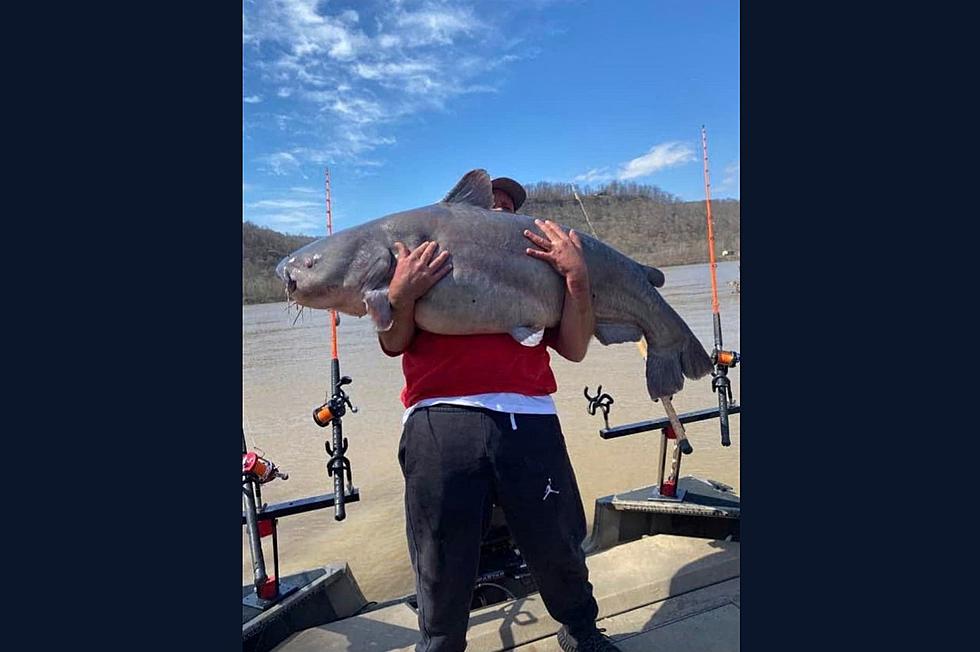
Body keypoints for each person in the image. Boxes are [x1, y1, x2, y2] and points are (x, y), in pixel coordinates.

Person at [379, 175, 621, 652]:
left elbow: (573, 348)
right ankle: (440, 646)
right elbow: (393, 343)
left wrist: (576, 279)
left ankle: (581, 631)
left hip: (527, 417)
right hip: (439, 418)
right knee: (438, 554)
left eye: (508, 206)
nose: (497, 209)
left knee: (558, 540)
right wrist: (400, 296)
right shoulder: (423, 258)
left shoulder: (536, 273)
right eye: (489, 202)